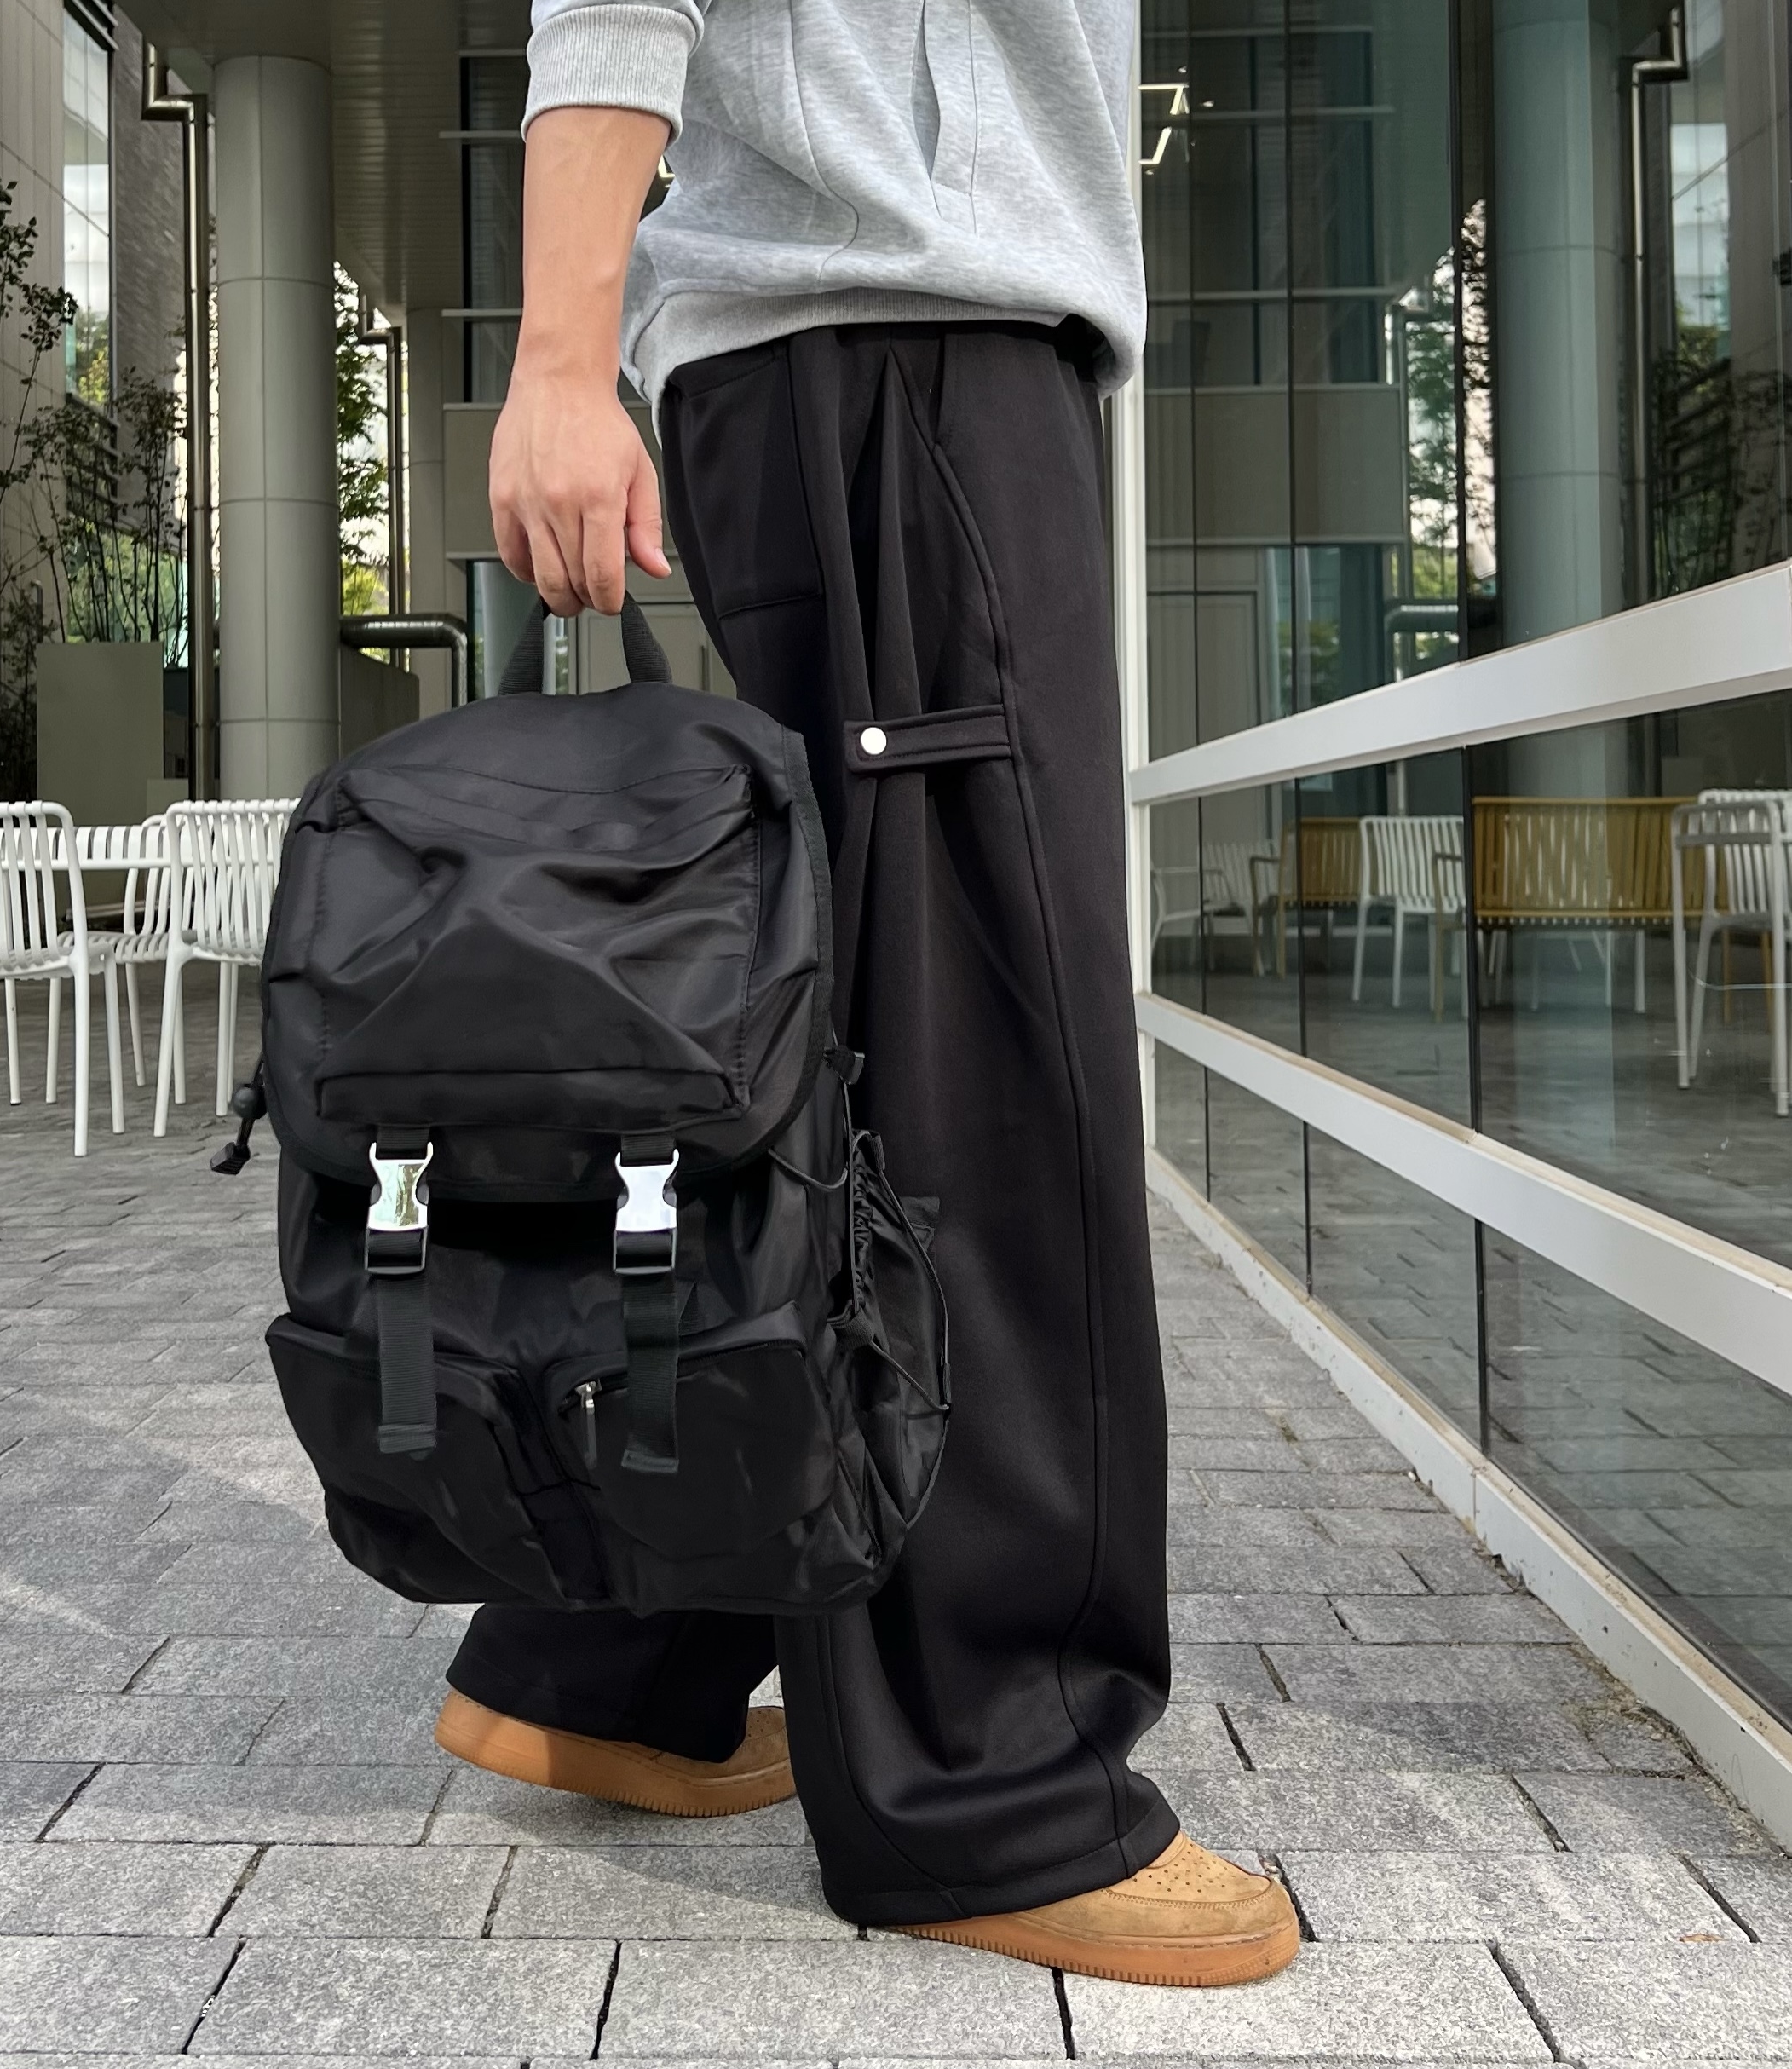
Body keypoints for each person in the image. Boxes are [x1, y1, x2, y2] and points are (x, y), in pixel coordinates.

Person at [433, 0, 1300, 1988]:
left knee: (819, 1084)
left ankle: (606, 1651)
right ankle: (987, 1785)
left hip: (865, 357)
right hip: (900, 347)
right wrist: (555, 357)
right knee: (986, 1084)